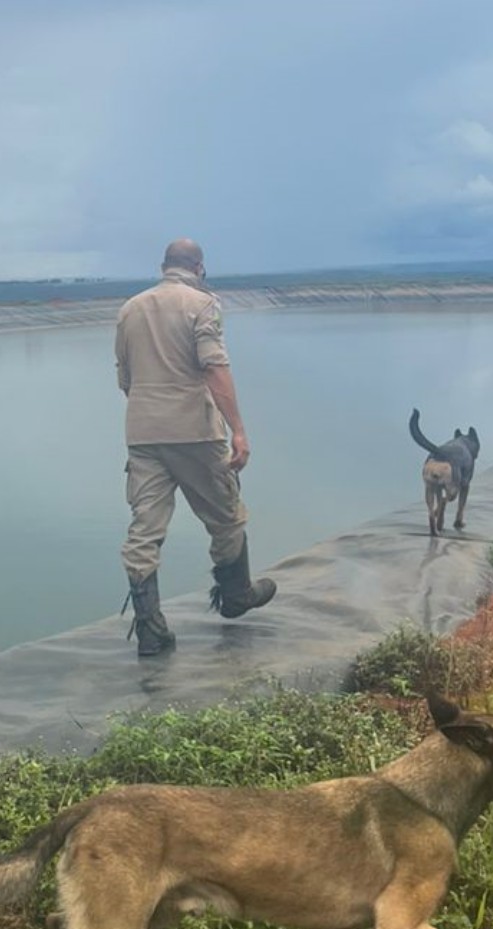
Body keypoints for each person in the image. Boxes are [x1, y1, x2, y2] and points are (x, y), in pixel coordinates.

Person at [115, 237, 276, 656]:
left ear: (163, 265)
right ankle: (236, 595)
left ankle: (150, 629)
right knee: (226, 515)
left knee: (144, 529)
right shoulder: (202, 304)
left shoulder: (130, 308)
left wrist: (152, 410)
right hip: (195, 432)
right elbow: (214, 369)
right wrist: (237, 429)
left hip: (144, 432)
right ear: (199, 267)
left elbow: (125, 380)